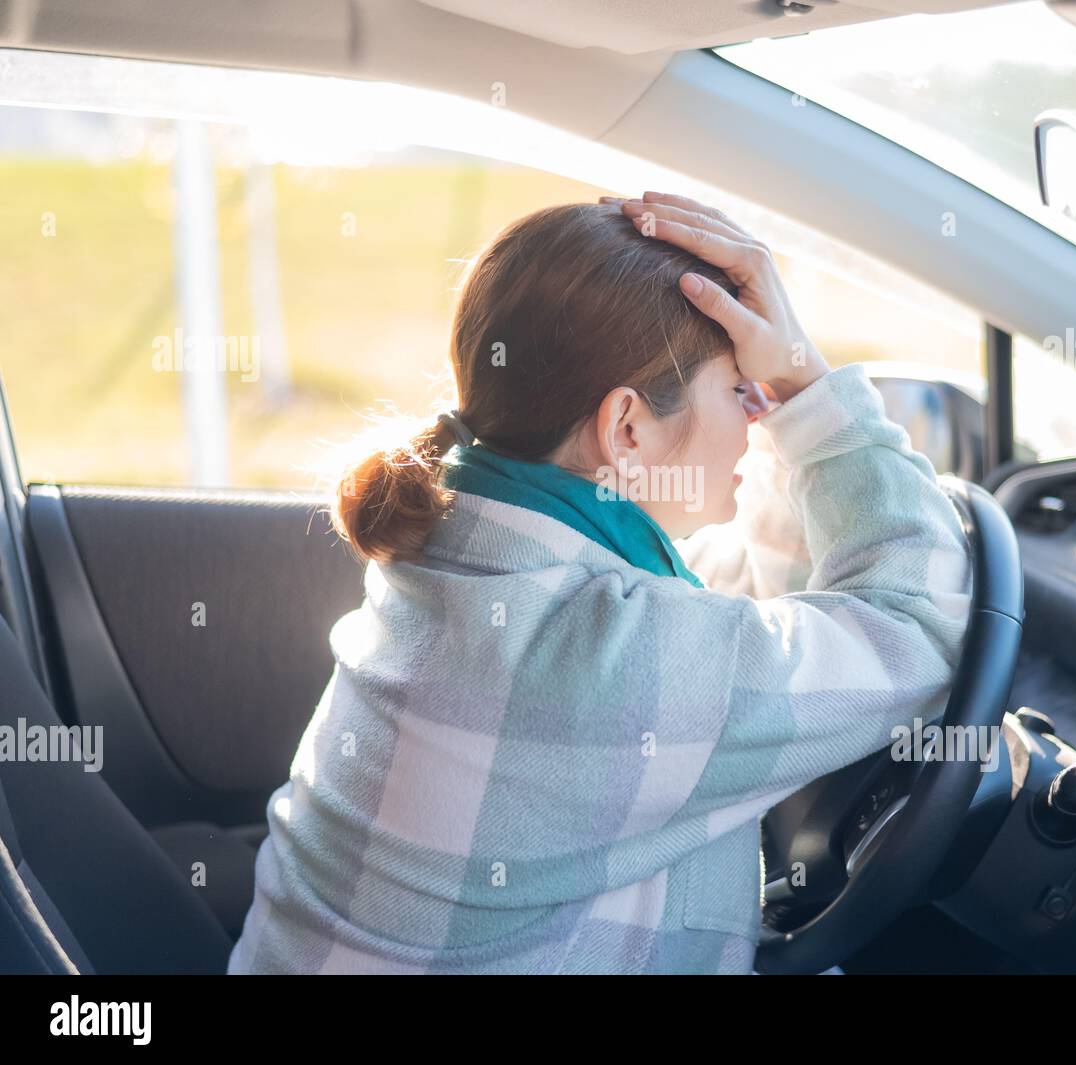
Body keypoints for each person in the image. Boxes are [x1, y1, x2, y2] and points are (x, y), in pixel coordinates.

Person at [226, 192, 973, 975]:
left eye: (761, 394)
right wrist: (803, 380)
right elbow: (920, 625)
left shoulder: (465, 559)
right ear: (627, 429)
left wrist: (791, 404)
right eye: (736, 389)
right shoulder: (605, 660)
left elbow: (752, 613)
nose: (757, 415)